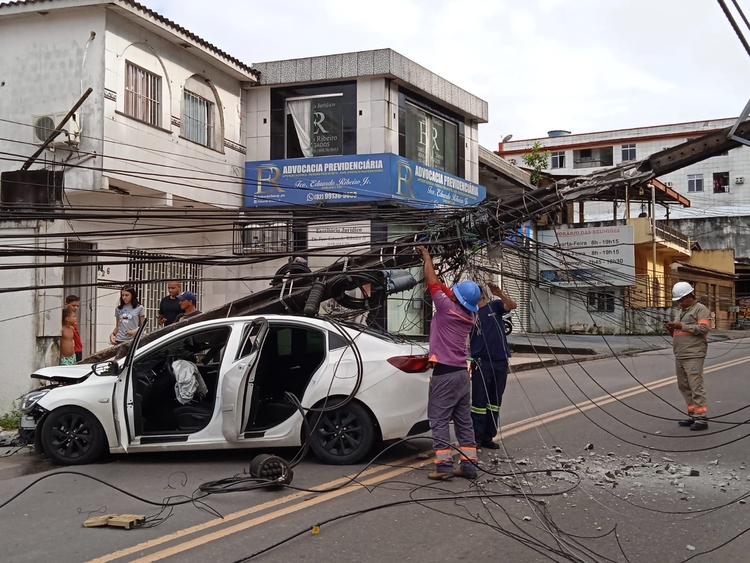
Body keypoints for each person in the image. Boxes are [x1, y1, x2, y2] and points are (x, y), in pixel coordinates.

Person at [418, 245, 481, 480]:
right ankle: (468, 465)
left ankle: (443, 466)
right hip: (462, 375)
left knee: (439, 419)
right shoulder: (468, 315)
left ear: (457, 298)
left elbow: (432, 282)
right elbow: (446, 290)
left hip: (445, 374)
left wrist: (427, 258)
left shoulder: (446, 308)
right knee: (464, 421)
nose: (451, 293)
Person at [470, 282, 518, 450]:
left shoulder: (494, 306)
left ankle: (488, 436)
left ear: (482, 295)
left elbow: (512, 305)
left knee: (494, 402)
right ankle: (476, 437)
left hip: (500, 362)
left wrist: (500, 293)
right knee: (478, 402)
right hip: (481, 363)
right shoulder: (470, 314)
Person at [665, 282, 711, 431]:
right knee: (684, 386)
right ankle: (693, 415)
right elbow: (677, 333)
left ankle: (701, 419)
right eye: (678, 300)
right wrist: (672, 329)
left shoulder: (701, 310)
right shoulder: (680, 312)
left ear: (690, 296)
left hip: (694, 354)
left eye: (682, 299)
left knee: (695, 386)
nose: (680, 302)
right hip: (680, 354)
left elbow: (704, 328)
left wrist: (681, 326)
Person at [65, 295, 83, 362]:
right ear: (67, 304)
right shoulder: (65, 317)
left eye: (77, 306)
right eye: (73, 305)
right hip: (71, 349)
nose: (76, 308)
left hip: (78, 347)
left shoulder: (73, 317)